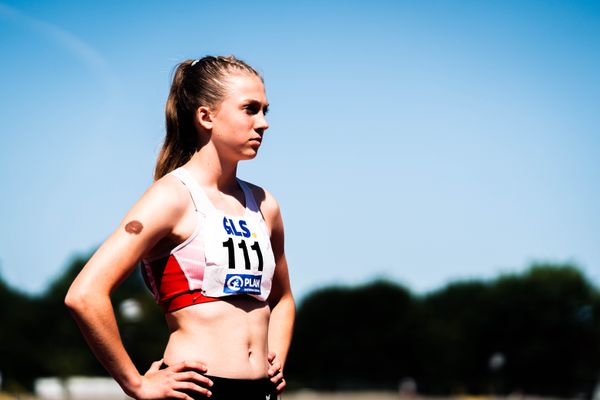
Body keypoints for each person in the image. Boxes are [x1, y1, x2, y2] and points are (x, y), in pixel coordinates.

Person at [65, 55, 295, 400]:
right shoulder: (171, 197)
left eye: (265, 110)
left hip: (262, 392)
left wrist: (275, 360)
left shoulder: (265, 204)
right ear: (206, 116)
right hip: (196, 391)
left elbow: (283, 299)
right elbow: (84, 294)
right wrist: (136, 383)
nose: (263, 123)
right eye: (250, 109)